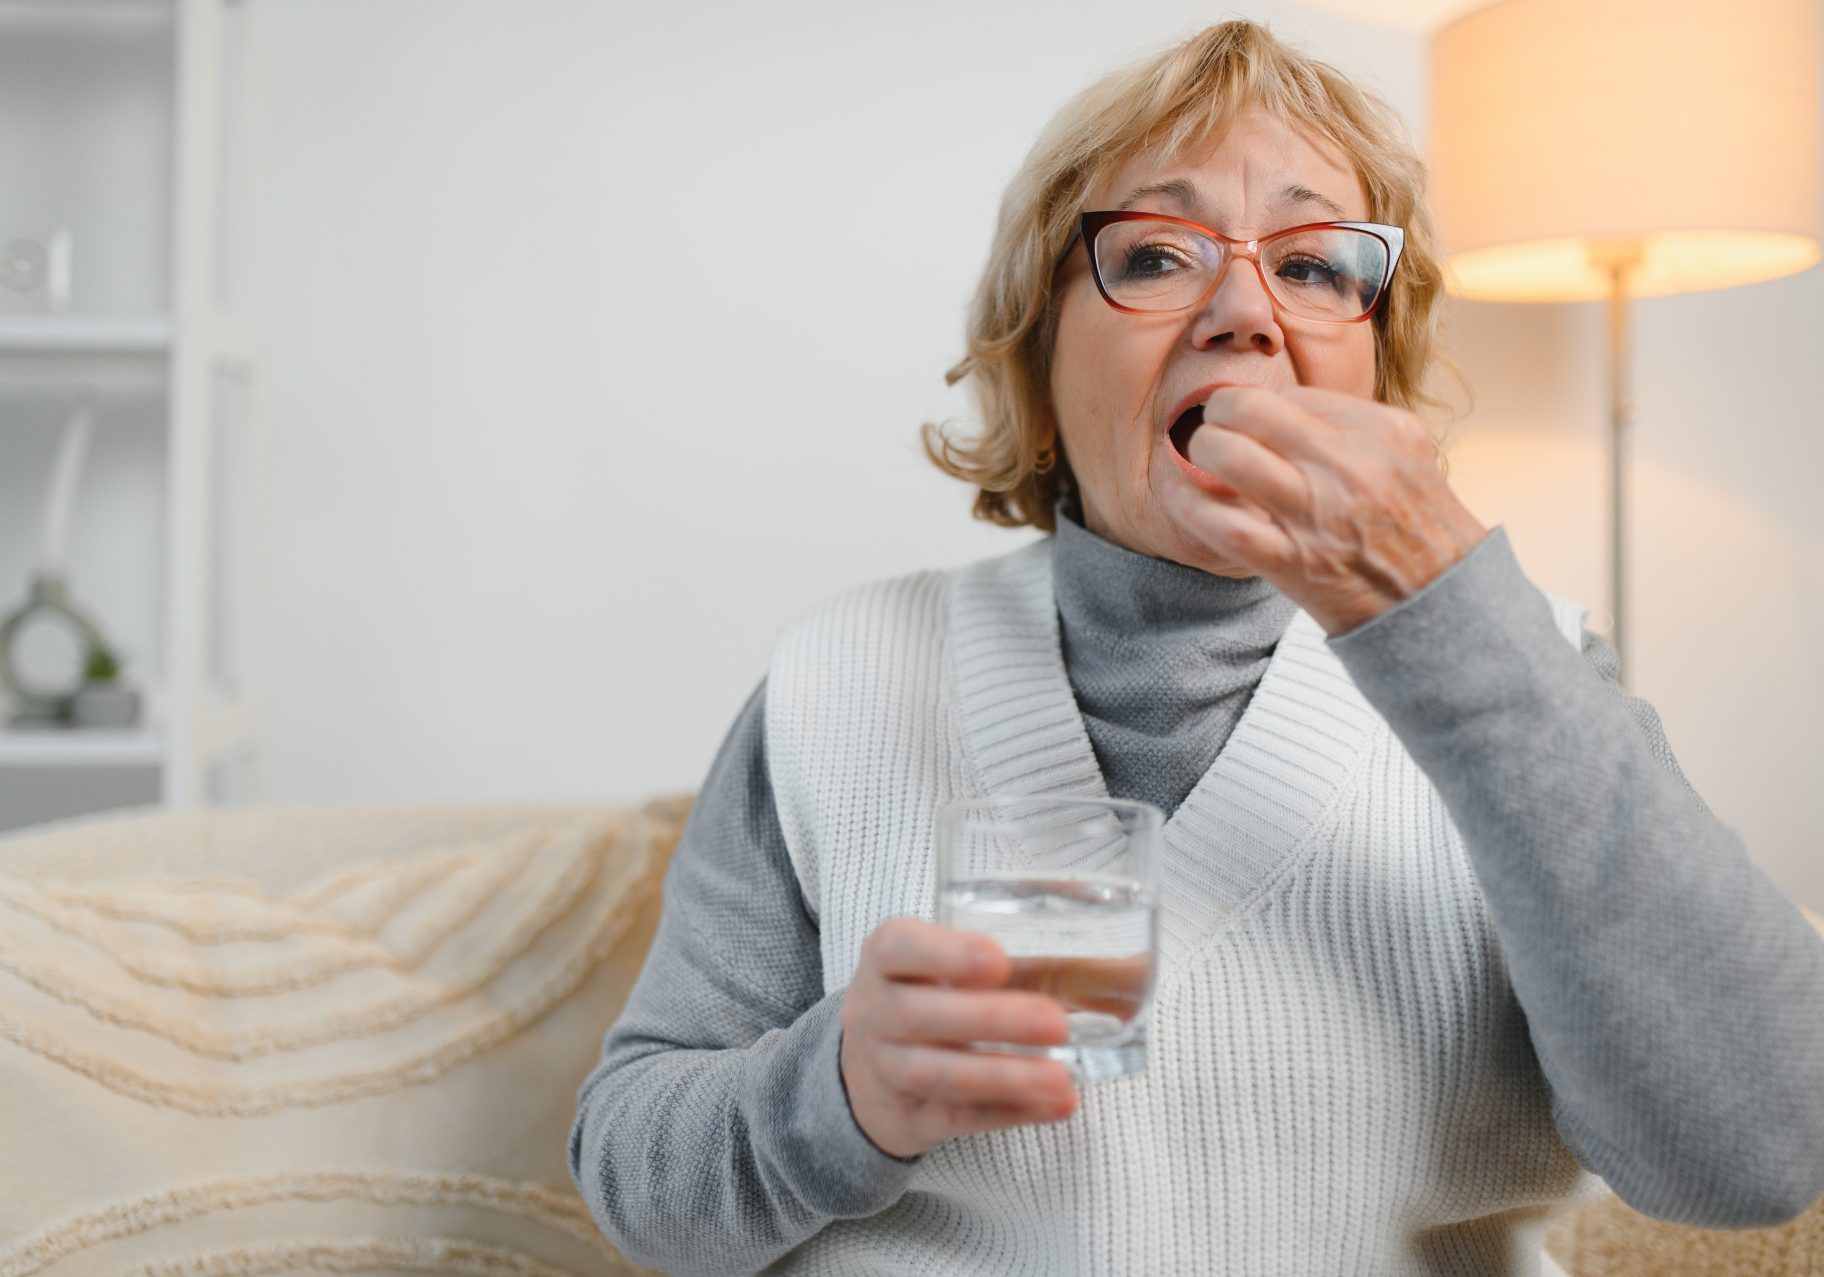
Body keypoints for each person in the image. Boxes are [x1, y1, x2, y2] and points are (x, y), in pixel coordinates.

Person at [570, 18, 1824, 1275]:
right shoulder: (841, 672)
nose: (1243, 310)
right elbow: (634, 1168)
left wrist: (1448, 610)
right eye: (1160, 252)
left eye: (1321, 264)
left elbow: (1758, 1152)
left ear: (1376, 369)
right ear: (1037, 350)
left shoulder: (1531, 666)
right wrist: (838, 1089)